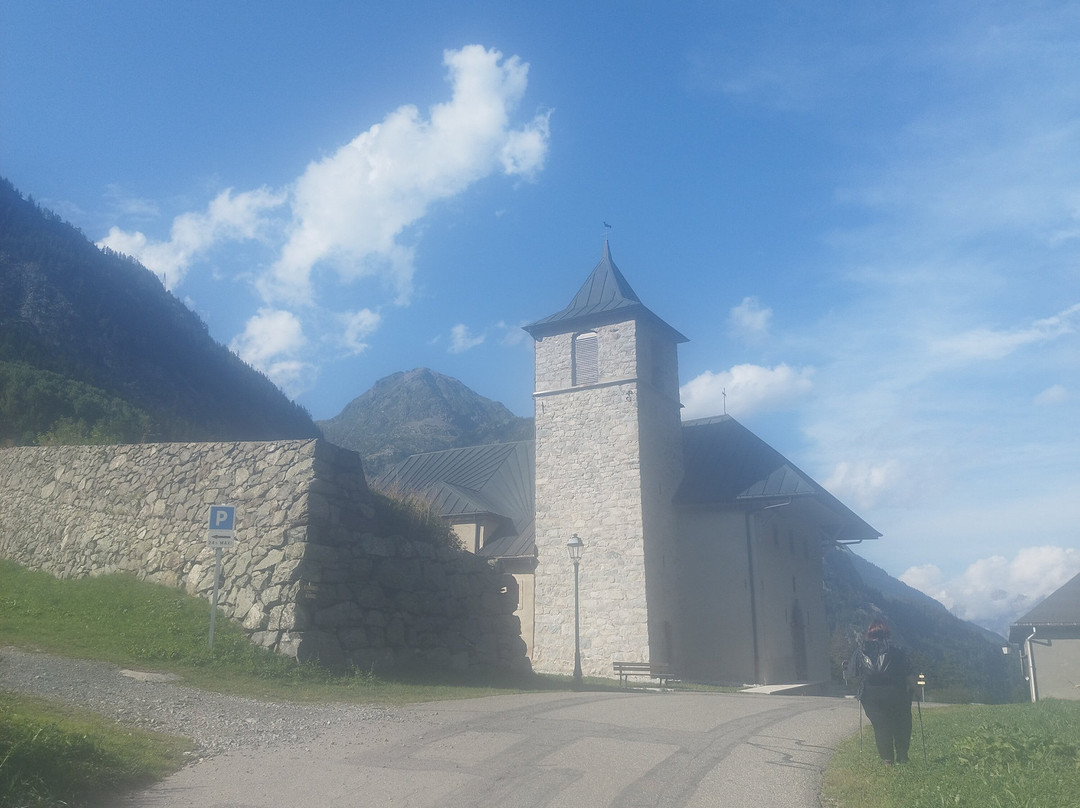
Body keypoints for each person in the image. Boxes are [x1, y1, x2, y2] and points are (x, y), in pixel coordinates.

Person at [850, 619, 913, 764]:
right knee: (902, 723)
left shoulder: (860, 651)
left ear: (869, 633)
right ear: (887, 633)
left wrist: (861, 688)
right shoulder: (895, 650)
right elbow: (908, 673)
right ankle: (902, 757)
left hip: (871, 696)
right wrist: (915, 689)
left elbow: (853, 675)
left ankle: (887, 760)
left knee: (881, 727)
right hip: (896, 693)